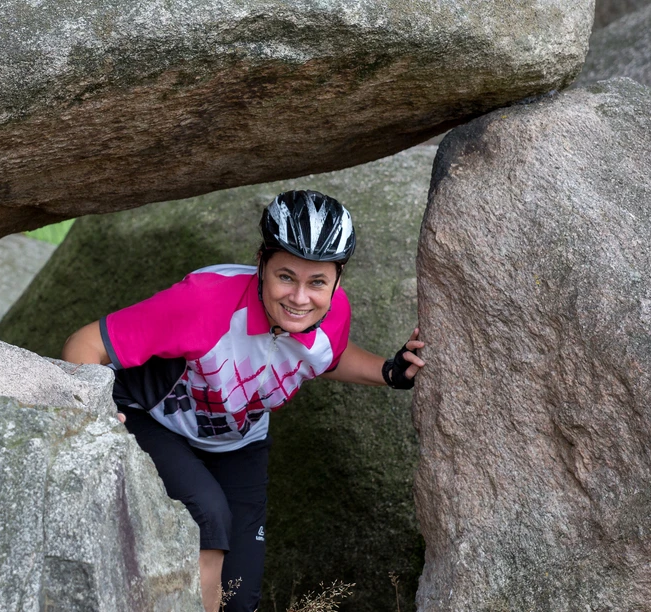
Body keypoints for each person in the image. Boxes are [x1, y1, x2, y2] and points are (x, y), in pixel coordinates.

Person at [61, 190, 424, 612]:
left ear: (337, 279)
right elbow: (84, 344)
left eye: (318, 282)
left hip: (239, 445)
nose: (300, 298)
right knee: (208, 514)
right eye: (286, 276)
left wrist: (389, 372)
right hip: (151, 418)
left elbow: (326, 358)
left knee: (239, 598)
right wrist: (94, 421)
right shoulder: (204, 300)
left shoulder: (333, 314)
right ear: (261, 263)